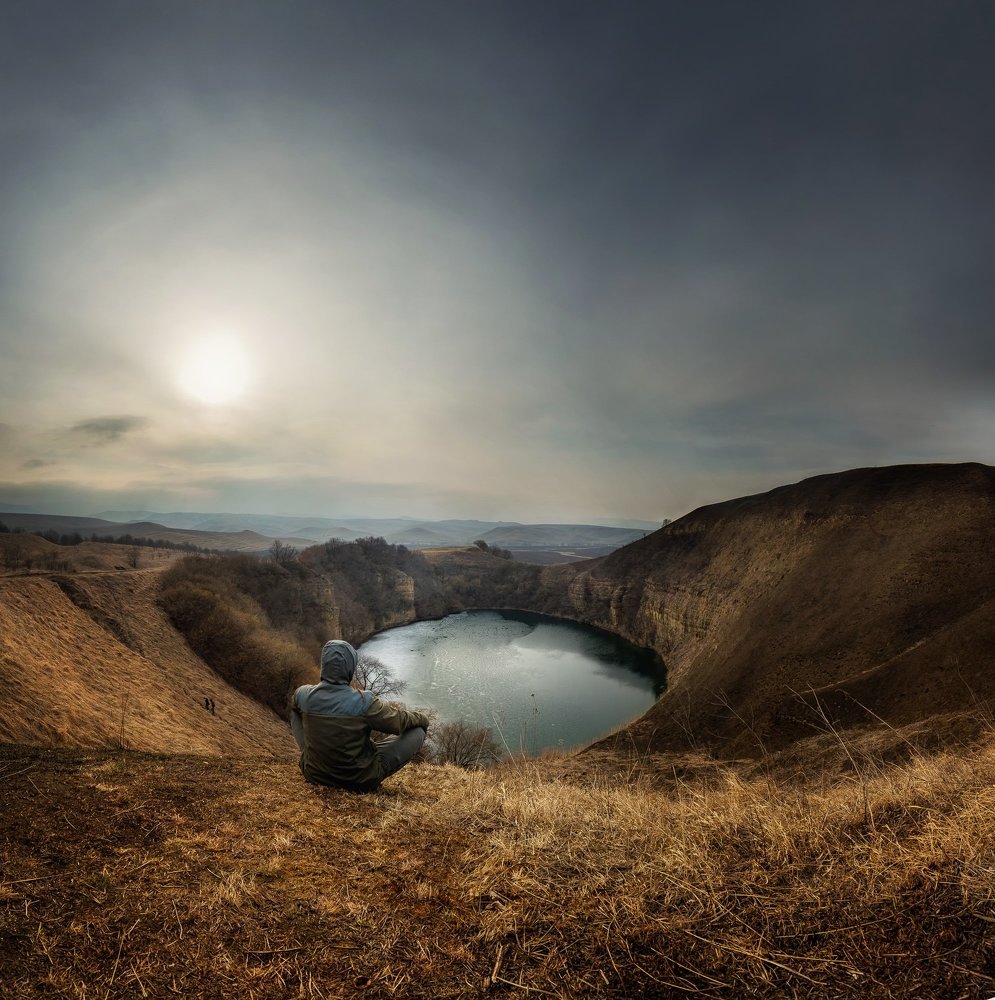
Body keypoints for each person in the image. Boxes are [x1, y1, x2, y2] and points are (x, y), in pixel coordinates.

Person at [290, 639, 428, 793]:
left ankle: (312, 756)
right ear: (350, 668)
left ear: (324, 665)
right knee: (418, 731)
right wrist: (423, 719)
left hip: (314, 773)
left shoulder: (303, 695)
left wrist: (305, 748)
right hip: (360, 780)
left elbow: (294, 710)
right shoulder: (364, 701)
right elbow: (399, 722)